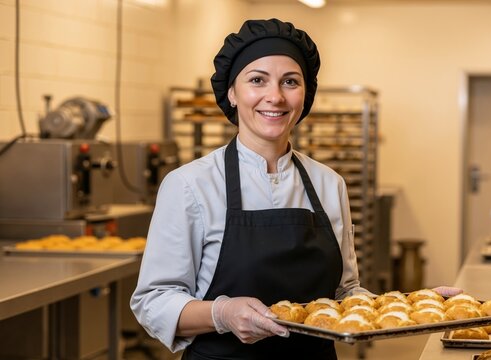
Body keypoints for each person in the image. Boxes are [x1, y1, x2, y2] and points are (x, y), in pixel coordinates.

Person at [131, 18, 460, 360]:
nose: (274, 97)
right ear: (231, 92)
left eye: (290, 81)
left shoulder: (328, 183)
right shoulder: (190, 184)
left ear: (306, 95)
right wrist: (223, 314)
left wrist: (410, 305)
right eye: (257, 80)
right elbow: (153, 301)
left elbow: (344, 293)